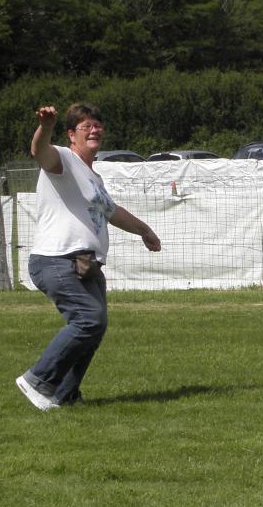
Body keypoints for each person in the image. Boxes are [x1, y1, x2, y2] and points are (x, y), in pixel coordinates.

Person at [15, 103, 161, 410]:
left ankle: (65, 394)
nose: (94, 130)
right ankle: (37, 379)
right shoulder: (64, 160)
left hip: (86, 262)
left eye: (97, 125)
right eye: (86, 126)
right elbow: (39, 151)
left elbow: (112, 212)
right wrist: (46, 126)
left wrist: (144, 230)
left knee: (95, 328)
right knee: (88, 320)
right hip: (57, 258)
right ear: (71, 135)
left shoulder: (94, 178)